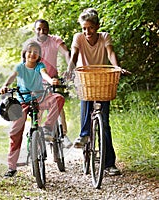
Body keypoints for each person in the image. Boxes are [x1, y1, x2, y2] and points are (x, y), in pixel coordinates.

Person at [65, 8, 130, 176]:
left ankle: (109, 164)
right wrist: (69, 69)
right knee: (86, 101)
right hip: (85, 78)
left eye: (90, 28)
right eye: (84, 28)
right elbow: (73, 56)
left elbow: (110, 52)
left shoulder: (105, 37)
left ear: (97, 26)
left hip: (102, 79)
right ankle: (84, 135)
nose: (87, 31)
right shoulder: (78, 37)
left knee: (105, 124)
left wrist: (116, 67)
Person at [0, 40, 65, 177]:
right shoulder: (20, 67)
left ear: (39, 55)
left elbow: (44, 74)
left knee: (58, 98)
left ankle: (47, 127)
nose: (32, 54)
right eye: (29, 51)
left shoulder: (39, 66)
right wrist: (5, 86)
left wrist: (50, 80)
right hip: (23, 101)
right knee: (15, 132)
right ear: (25, 54)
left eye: (36, 52)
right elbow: (11, 78)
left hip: (39, 99)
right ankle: (12, 166)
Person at [29, 19, 72, 148]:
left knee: (58, 103)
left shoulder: (55, 40)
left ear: (48, 30)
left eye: (45, 29)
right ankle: (36, 138)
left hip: (53, 79)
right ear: (34, 30)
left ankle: (63, 135)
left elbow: (66, 53)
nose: (42, 32)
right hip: (36, 81)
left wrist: (70, 68)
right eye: (39, 29)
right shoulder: (32, 44)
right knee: (38, 108)